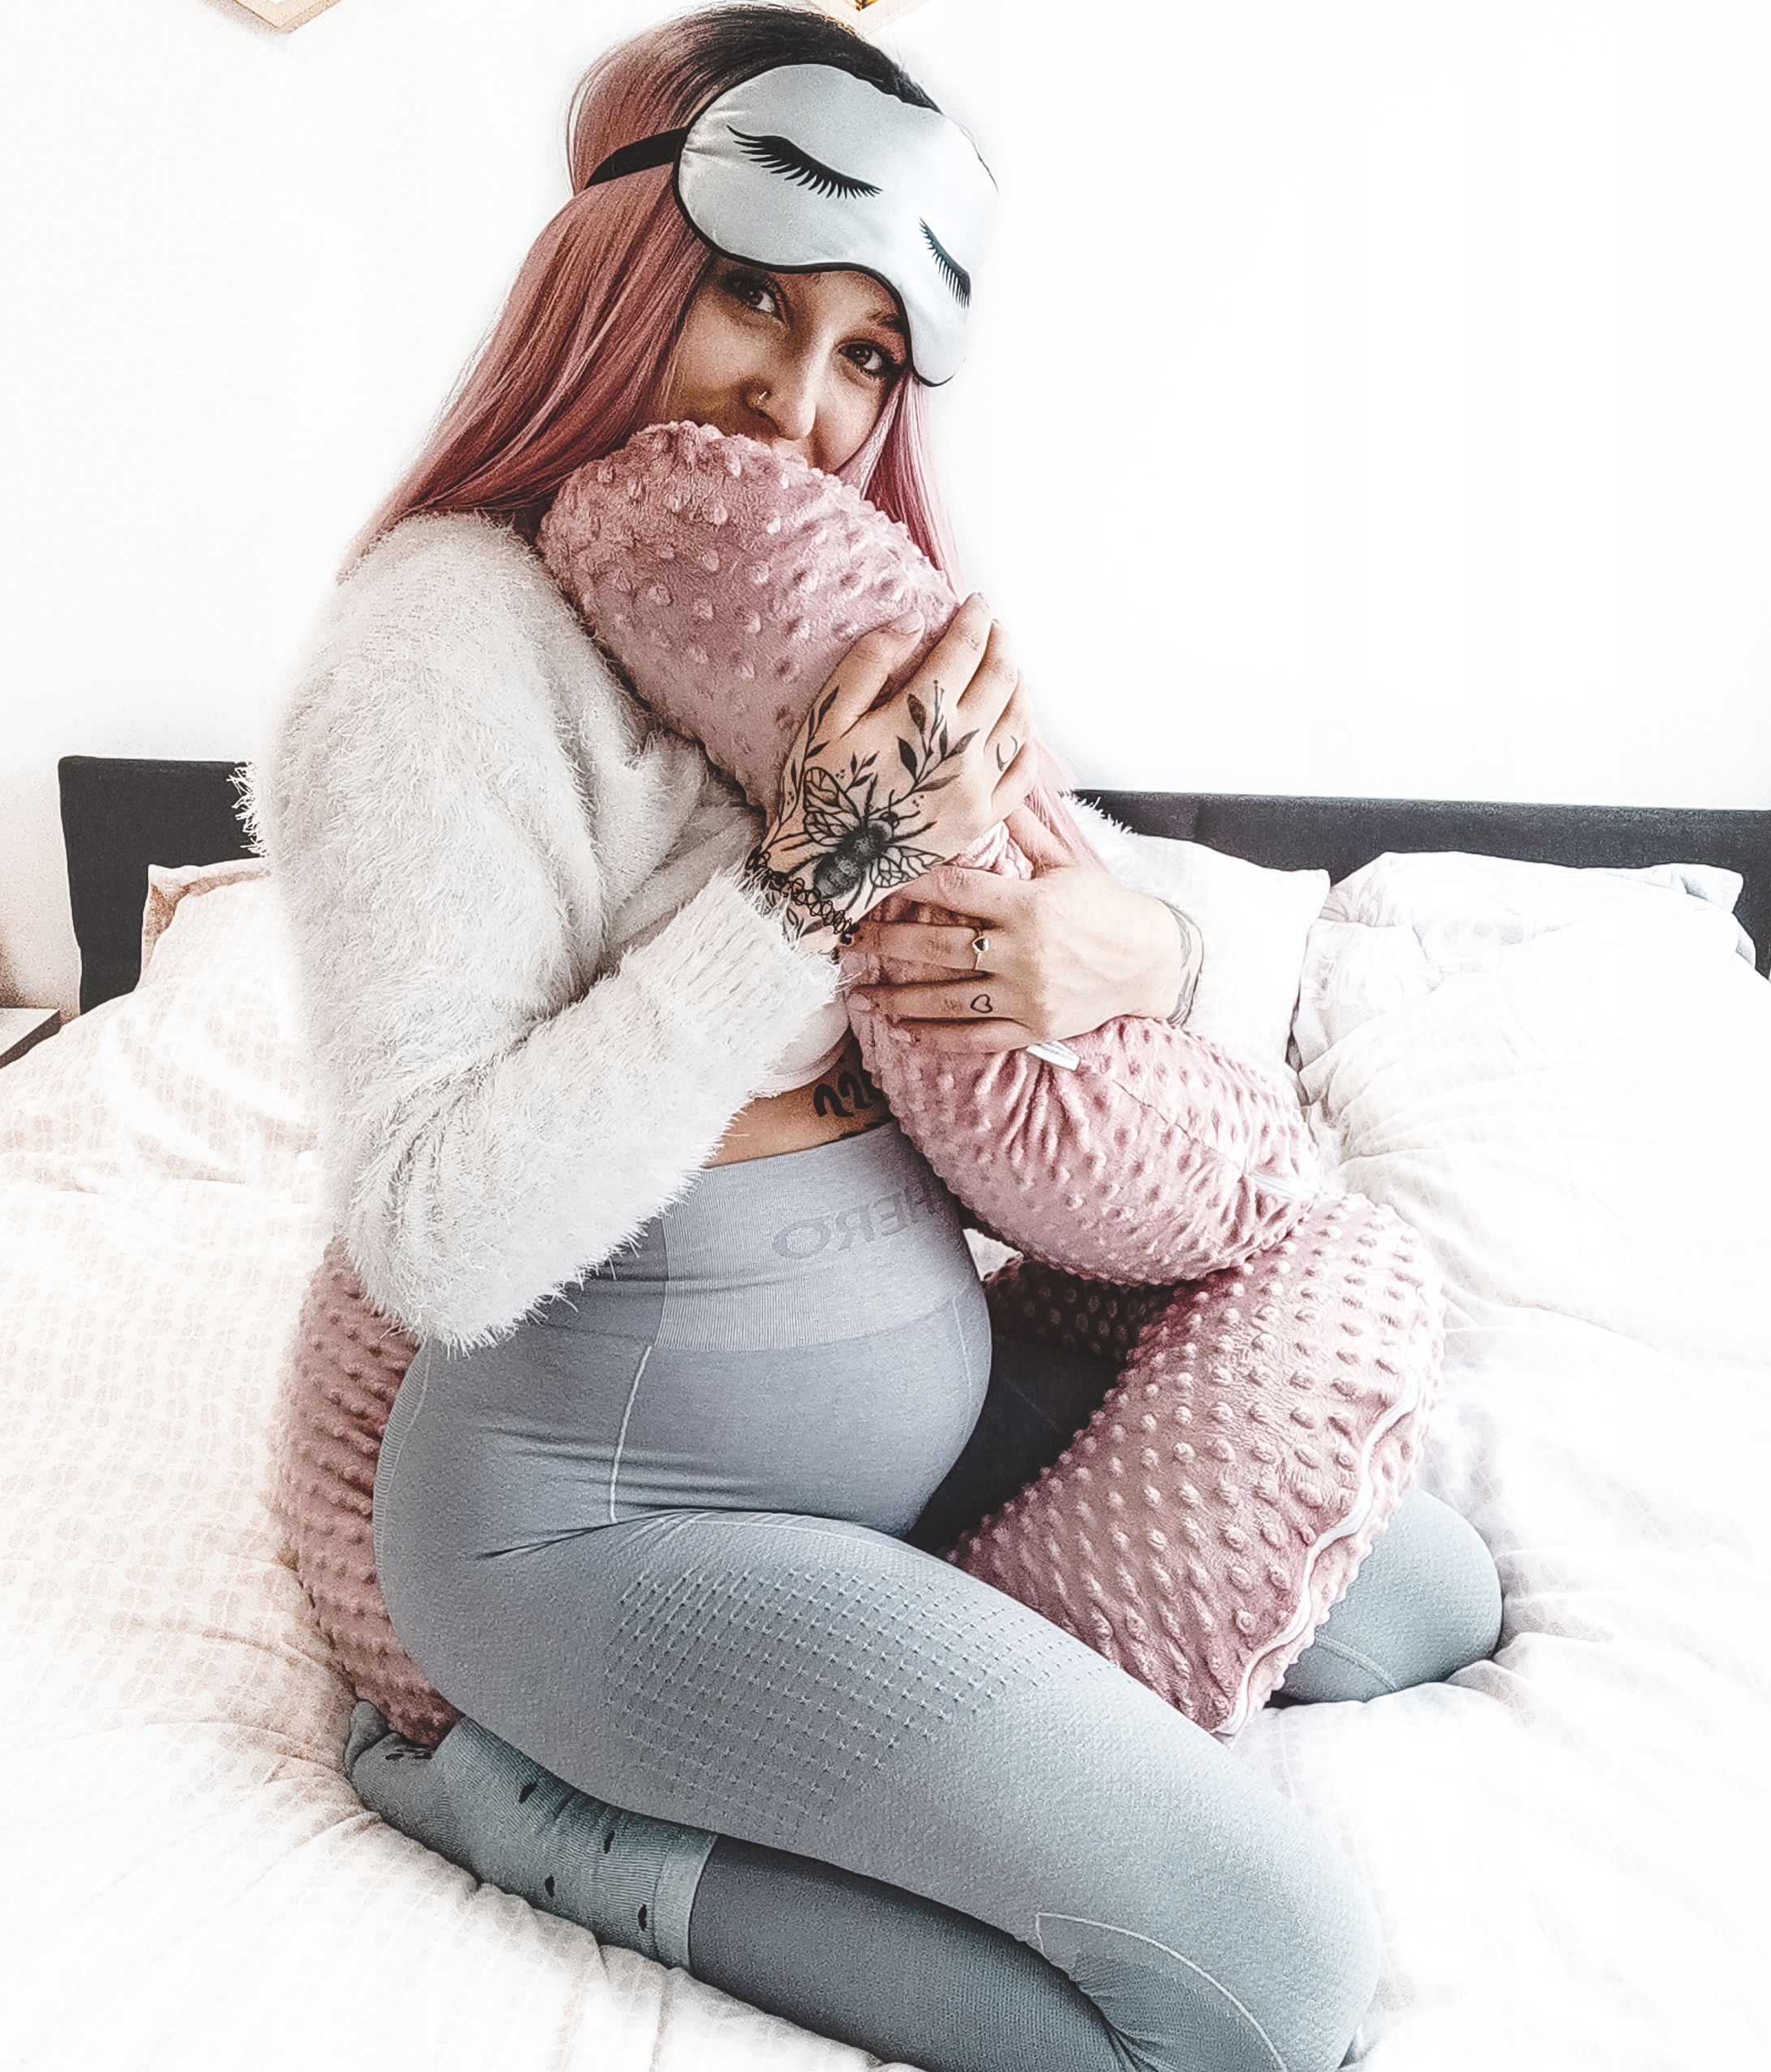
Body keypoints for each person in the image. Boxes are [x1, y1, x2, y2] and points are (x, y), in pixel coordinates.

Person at [254, 10, 1502, 2070]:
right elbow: (436, 1230)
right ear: (614, 271)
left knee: (1422, 1598)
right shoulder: (437, 642)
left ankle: (878, 1668)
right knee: (1261, 1976)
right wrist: (807, 885)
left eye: (866, 352)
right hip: (603, 1511)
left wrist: (1144, 946)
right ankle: (530, 1815)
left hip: (897, 1431)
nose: (800, 402)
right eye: (752, 298)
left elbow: (1066, 911)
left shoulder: (812, 607)